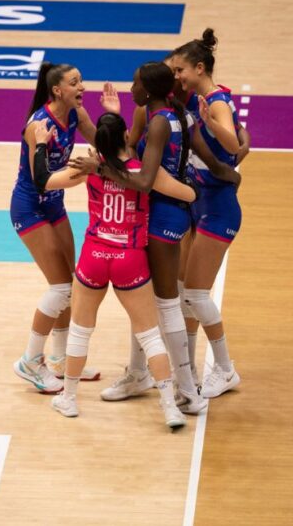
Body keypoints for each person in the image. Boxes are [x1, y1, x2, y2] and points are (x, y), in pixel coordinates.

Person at [76, 62, 239, 412]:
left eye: (135, 83)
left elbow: (143, 181)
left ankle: (188, 391)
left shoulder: (160, 122)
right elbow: (208, 158)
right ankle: (144, 375)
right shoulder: (181, 115)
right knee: (149, 303)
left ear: (147, 90)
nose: (131, 88)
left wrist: (99, 168)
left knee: (165, 305)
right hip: (175, 214)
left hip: (161, 217)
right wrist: (228, 173)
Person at [30, 112, 193, 428]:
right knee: (150, 335)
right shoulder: (144, 172)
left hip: (94, 255)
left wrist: (40, 145)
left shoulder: (87, 167)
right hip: (129, 258)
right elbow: (189, 195)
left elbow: (43, 180)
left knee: (81, 330)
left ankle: (69, 399)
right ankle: (170, 408)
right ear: (126, 136)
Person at [10, 62, 120, 393]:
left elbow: (109, 145)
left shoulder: (75, 113)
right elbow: (41, 181)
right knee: (60, 288)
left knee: (68, 284)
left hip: (54, 206)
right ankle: (30, 360)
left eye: (81, 80)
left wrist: (112, 115)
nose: (82, 87)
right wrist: (86, 173)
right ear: (58, 90)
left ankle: (58, 359)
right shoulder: (38, 125)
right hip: (30, 207)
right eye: (75, 82)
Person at [169, 29, 244, 398]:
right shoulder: (203, 99)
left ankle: (226, 370)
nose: (177, 76)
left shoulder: (215, 103)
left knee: (197, 295)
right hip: (198, 207)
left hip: (218, 210)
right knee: (185, 291)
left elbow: (232, 141)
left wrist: (210, 122)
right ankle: (187, 369)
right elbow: (245, 144)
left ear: (199, 68)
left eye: (180, 69)